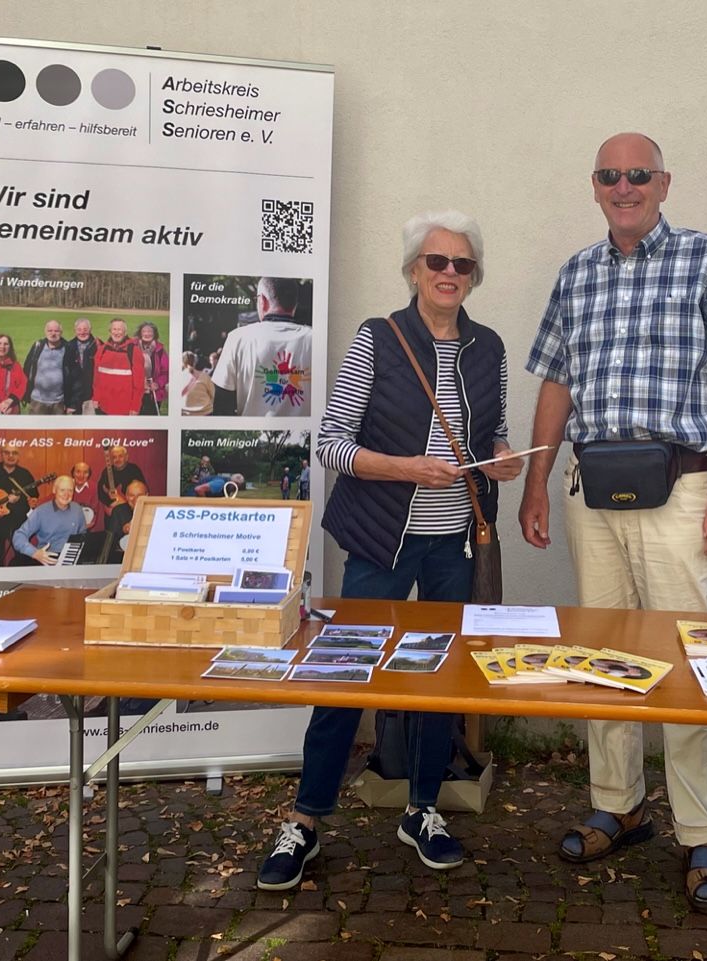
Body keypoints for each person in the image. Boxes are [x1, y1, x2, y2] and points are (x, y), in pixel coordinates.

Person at [518, 133, 707, 913]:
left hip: (681, 485)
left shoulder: (705, 258)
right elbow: (555, 382)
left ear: (663, 182)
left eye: (638, 175)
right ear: (594, 186)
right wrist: (536, 481)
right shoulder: (575, 273)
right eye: (610, 176)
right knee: (602, 652)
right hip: (593, 486)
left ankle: (702, 829)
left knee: (686, 655)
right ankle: (617, 803)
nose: (625, 187)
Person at [258, 209, 521, 892]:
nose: (449, 273)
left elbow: (493, 428)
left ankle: (422, 808)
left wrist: (500, 456)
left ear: (474, 276)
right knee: (345, 671)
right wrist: (407, 468)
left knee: (437, 679)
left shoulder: (489, 347)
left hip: (453, 544)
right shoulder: (377, 338)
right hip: (380, 541)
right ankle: (306, 818)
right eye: (437, 261)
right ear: (413, 270)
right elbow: (331, 444)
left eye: (462, 264)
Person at [212, 277, 312, 416]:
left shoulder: (238, 338)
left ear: (262, 300)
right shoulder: (313, 338)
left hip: (250, 430)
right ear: (294, 303)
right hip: (304, 430)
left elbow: (222, 405)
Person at [0, 444, 38, 566]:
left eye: (14, 453)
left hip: (17, 522)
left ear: (18, 456)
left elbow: (33, 496)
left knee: (23, 557)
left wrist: (32, 502)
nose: (11, 456)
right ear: (1, 454)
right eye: (7, 452)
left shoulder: (25, 474)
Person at [12, 476, 87, 565]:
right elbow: (18, 536)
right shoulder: (41, 512)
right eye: (62, 490)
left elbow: (83, 534)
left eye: (70, 490)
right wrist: (34, 553)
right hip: (47, 559)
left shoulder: (77, 509)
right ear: (54, 490)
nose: (66, 494)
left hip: (72, 559)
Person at [93, 319, 145, 416]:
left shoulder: (134, 351)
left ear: (125, 332)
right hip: (104, 405)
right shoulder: (102, 349)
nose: (117, 332)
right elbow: (97, 378)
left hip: (124, 407)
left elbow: (139, 383)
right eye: (114, 329)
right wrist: (96, 398)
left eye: (120, 329)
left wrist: (135, 406)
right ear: (110, 331)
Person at [22, 320, 69, 414]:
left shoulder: (67, 348)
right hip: (37, 400)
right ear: (45, 332)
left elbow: (73, 375)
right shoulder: (38, 346)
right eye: (50, 330)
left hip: (59, 401)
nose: (53, 333)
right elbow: (27, 369)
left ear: (61, 332)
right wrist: (25, 394)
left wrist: (70, 402)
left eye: (56, 331)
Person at [98, 445, 146, 522]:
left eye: (120, 456)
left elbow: (143, 491)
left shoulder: (134, 470)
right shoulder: (106, 471)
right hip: (112, 513)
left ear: (126, 457)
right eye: (114, 457)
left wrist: (124, 502)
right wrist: (110, 504)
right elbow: (100, 491)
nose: (117, 459)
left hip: (130, 512)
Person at [63, 318, 99, 415]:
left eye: (85, 329)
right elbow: (66, 374)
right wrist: (68, 401)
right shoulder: (69, 346)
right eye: (79, 329)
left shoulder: (98, 346)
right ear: (75, 330)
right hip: (74, 397)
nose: (82, 332)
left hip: (91, 397)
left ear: (90, 330)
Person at [135, 322, 170, 415]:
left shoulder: (160, 350)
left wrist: (157, 384)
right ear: (140, 333)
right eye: (144, 331)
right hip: (135, 392)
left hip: (154, 392)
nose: (147, 334)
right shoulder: (133, 347)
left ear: (154, 334)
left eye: (150, 331)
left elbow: (166, 372)